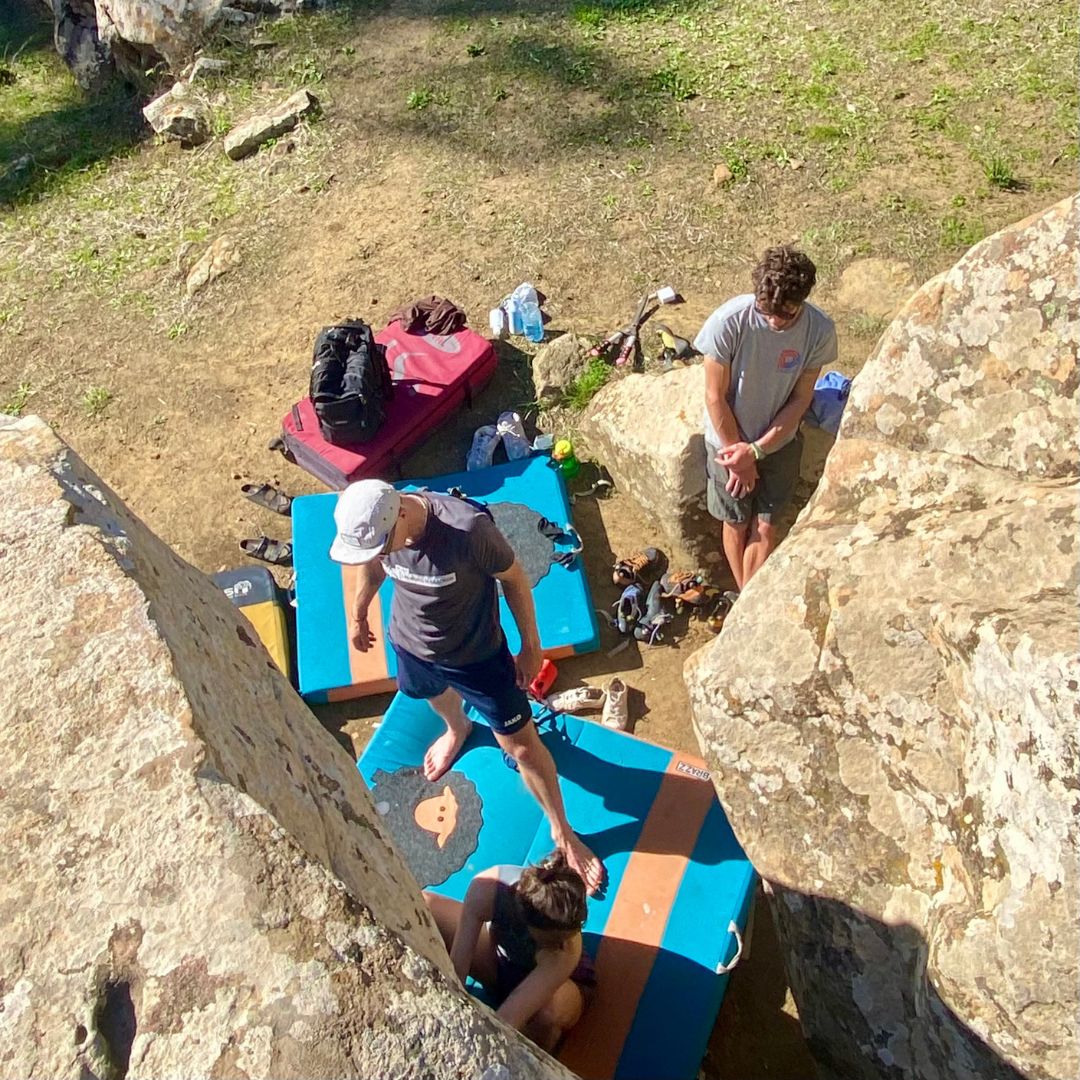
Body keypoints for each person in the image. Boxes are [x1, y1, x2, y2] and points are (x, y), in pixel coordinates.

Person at [329, 480, 604, 893]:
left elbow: (513, 578)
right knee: (432, 696)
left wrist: (531, 647)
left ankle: (561, 830)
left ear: (401, 512)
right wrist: (358, 614)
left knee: (523, 747)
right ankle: (456, 728)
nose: (380, 555)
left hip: (477, 656)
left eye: (382, 545)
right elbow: (370, 564)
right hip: (411, 644)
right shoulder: (383, 534)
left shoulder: (468, 531)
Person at [695, 245, 837, 590]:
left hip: (778, 441)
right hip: (726, 442)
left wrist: (757, 451)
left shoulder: (818, 331)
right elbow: (715, 396)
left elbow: (802, 397)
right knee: (736, 521)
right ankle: (749, 601)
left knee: (765, 525)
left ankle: (746, 601)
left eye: (786, 313)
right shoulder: (729, 321)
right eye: (766, 310)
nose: (774, 321)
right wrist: (738, 454)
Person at [424, 853, 595, 1050]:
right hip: (501, 963)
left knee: (548, 1014)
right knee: (424, 905)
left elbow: (507, 1021)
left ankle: (536, 1060)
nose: (562, 943)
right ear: (531, 924)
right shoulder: (488, 889)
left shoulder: (565, 950)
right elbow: (456, 972)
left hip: (562, 987)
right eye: (554, 939)